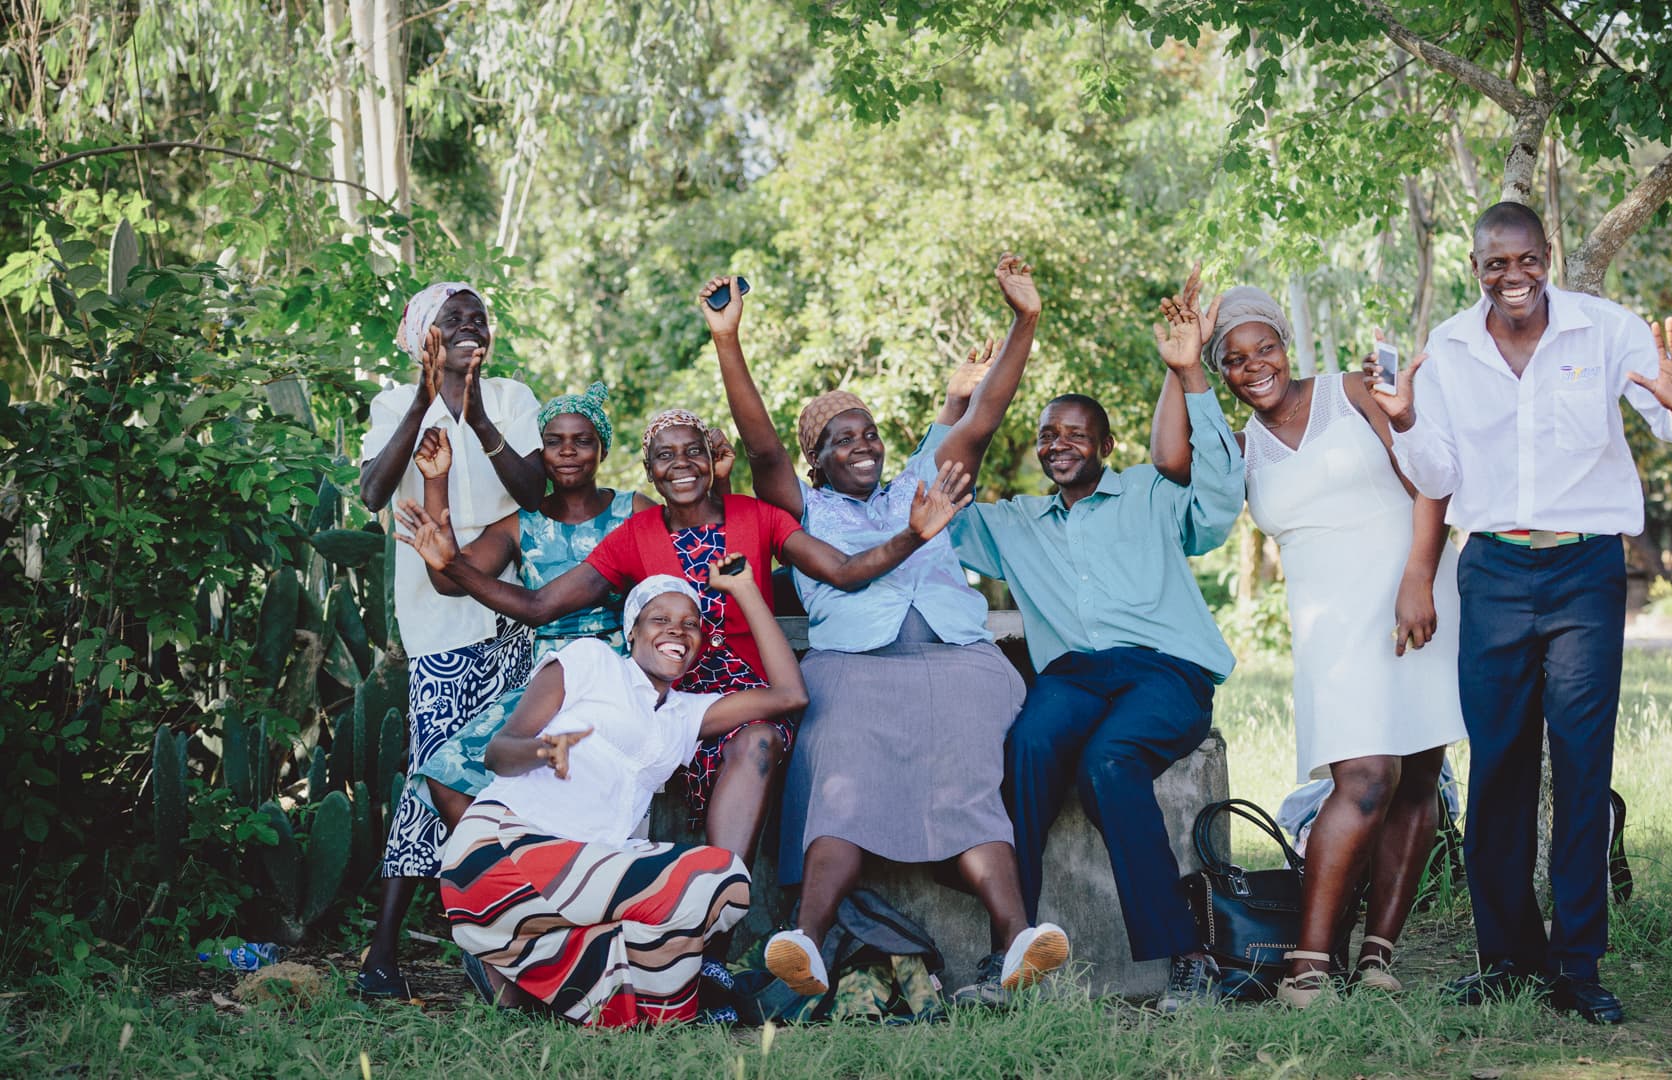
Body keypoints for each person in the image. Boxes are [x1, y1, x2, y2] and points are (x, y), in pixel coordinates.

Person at [1373, 202, 1672, 1024]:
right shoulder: (1449, 350)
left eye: (1526, 259)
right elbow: (1438, 474)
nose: (1513, 276)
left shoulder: (1606, 330)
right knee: (1498, 768)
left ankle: (1578, 968)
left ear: (1548, 255)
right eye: (1496, 263)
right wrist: (1407, 420)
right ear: (1475, 268)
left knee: (1582, 766)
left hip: (1585, 571)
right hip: (1492, 569)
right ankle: (1506, 962)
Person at [700, 256, 1070, 1002]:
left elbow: (984, 417)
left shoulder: (920, 482)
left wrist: (1023, 322)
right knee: (842, 773)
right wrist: (727, 340)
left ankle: (1014, 938)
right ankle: (806, 940)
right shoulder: (802, 509)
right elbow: (763, 446)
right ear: (816, 462)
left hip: (958, 662)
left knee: (970, 777)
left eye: (868, 433)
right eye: (842, 440)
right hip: (853, 670)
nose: (863, 445)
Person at [401, 406, 976, 861]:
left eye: (693, 451)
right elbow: (538, 606)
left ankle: (714, 921)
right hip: (668, 700)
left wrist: (913, 536)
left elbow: (845, 572)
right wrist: (452, 565)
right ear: (649, 471)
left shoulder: (758, 517)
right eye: (665, 456)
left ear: (711, 458)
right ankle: (530, 890)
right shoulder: (634, 534)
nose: (681, 464)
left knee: (757, 741)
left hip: (745, 694)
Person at [1148, 272, 1466, 1007]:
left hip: (1416, 594)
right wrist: (1181, 365)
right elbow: (1170, 459)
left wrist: (1419, 578)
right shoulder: (1239, 447)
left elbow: (1430, 477)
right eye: (1233, 359)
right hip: (1332, 625)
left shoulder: (1353, 391)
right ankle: (1310, 961)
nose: (1253, 366)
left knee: (1419, 774)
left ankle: (1378, 954)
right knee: (1364, 778)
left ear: (1285, 344)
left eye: (1264, 348)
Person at [942, 300, 1243, 1014]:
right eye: (1047, 434)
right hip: (1074, 676)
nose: (1059, 444)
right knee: (1028, 747)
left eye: (1076, 433)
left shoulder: (1149, 492)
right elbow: (937, 499)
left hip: (1165, 671)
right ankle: (1011, 948)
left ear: (1106, 445)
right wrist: (959, 406)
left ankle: (1189, 957)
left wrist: (1191, 376)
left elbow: (1220, 501)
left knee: (1110, 762)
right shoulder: (1014, 521)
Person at [438, 572, 806, 1027]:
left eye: (690, 624)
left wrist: (745, 588)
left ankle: (518, 975)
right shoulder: (592, 660)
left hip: (581, 868)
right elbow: (499, 752)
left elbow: (790, 694)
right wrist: (544, 751)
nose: (677, 630)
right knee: (707, 878)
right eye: (660, 619)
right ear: (632, 631)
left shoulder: (684, 716)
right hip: (502, 848)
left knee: (723, 883)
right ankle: (535, 965)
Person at [401, 383, 726, 824]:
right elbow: (450, 578)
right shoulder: (520, 524)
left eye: (583, 441)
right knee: (447, 773)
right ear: (539, 453)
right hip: (548, 680)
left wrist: (721, 482)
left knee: (585, 771)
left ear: (602, 450)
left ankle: (563, 858)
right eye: (554, 442)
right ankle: (510, 861)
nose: (568, 451)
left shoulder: (633, 510)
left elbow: (688, 557)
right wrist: (435, 480)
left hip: (620, 670)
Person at [352, 281, 544, 999]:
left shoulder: (515, 398)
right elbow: (373, 492)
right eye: (452, 318)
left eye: (478, 317)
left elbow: (533, 492)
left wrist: (478, 411)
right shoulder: (391, 406)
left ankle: (508, 937)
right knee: (432, 776)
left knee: (506, 773)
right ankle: (383, 953)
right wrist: (424, 398)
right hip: (437, 623)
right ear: (421, 338)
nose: (470, 325)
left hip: (513, 611)